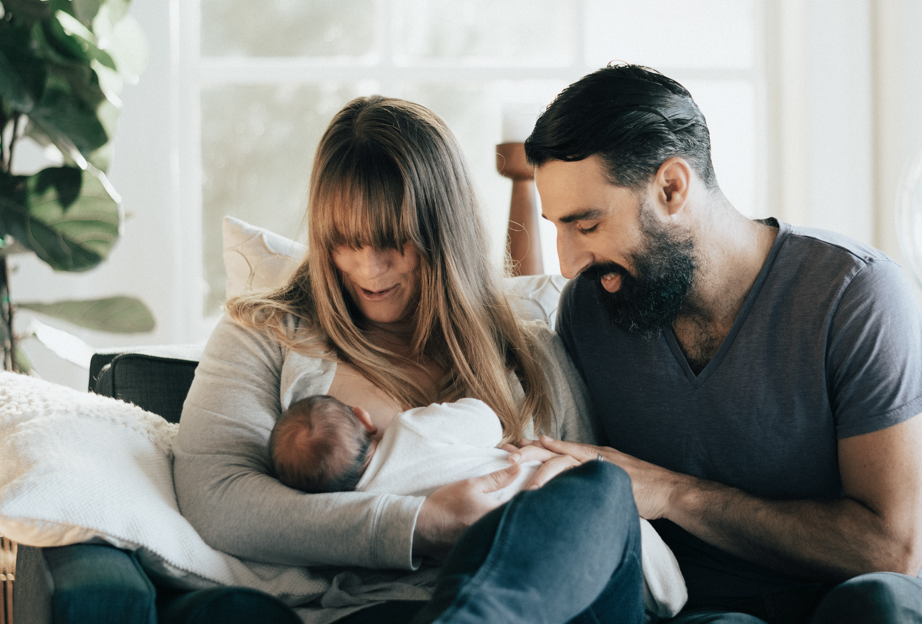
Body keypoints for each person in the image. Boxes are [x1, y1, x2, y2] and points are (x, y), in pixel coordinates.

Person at [520, 63, 922, 624]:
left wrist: (673, 494)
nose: (567, 263)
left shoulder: (855, 291)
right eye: (556, 228)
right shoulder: (590, 311)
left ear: (671, 187)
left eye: (586, 226)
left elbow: (888, 551)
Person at [172, 96, 645, 624]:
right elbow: (218, 499)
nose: (369, 269)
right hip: (363, 610)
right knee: (219, 613)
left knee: (603, 488)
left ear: (444, 233)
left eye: (395, 242)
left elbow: (593, 520)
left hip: (519, 600)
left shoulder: (533, 357)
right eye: (346, 242)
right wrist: (423, 523)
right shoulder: (266, 332)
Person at [268, 394, 688, 618]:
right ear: (363, 417)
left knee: (600, 488)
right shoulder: (410, 427)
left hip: (549, 558)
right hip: (582, 549)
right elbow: (484, 418)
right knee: (603, 483)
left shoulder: (359, 511)